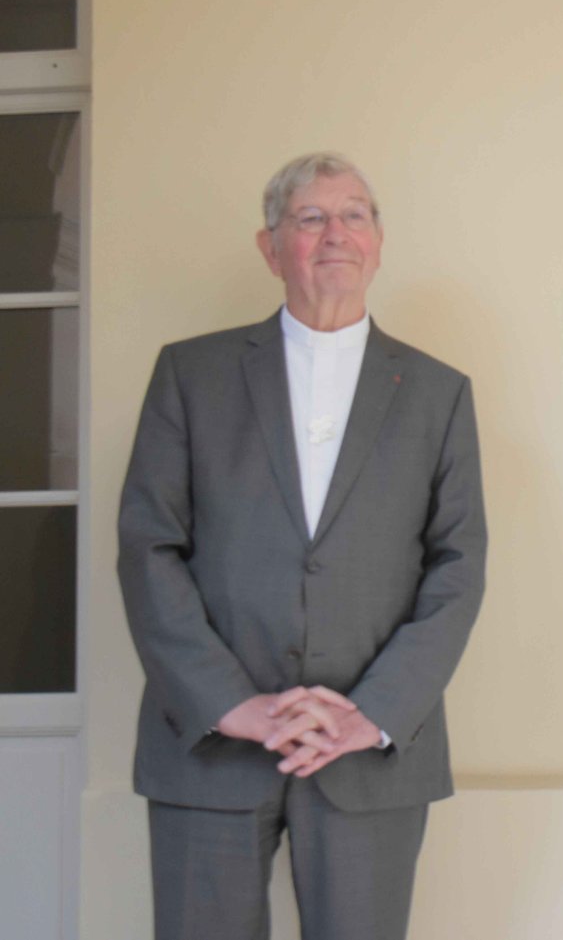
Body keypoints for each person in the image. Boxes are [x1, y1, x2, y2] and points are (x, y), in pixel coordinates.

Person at [118, 152, 487, 940]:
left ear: (378, 243)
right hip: (209, 745)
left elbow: (458, 568)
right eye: (310, 217)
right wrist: (231, 703)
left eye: (354, 215)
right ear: (270, 247)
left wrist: (372, 712)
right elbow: (148, 548)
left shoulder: (439, 392)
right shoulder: (190, 374)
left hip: (370, 752)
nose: (335, 233)